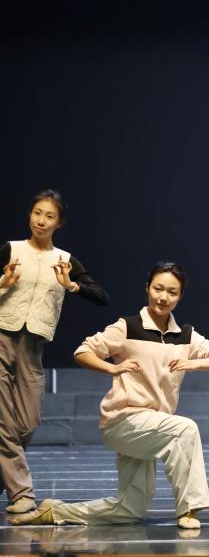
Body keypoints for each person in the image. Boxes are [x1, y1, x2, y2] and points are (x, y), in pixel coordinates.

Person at [10, 262, 209, 529]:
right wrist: (112, 368)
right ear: (147, 289)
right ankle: (189, 508)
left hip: (153, 427)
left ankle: (55, 510)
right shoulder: (127, 327)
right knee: (185, 429)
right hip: (123, 421)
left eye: (172, 292)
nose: (163, 297)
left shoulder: (185, 335)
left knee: (129, 508)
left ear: (180, 296)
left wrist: (194, 363)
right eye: (158, 289)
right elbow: (83, 352)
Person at [0, 189, 109, 514]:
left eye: (49, 216)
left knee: (28, 423)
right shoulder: (11, 249)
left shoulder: (64, 260)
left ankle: (7, 476)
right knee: (3, 423)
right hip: (2, 338)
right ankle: (22, 494)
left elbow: (101, 296)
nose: (41, 220)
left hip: (33, 348)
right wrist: (2, 283)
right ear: (29, 215)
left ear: (58, 223)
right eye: (37, 213)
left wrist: (70, 285)